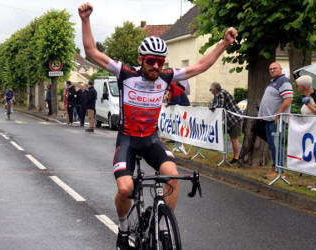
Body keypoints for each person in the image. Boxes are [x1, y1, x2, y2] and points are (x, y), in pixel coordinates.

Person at [79, 2, 238, 249]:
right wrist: (86, 20)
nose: (156, 66)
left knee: (172, 177)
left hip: (152, 139)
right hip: (127, 141)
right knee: (125, 189)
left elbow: (200, 66)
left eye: (160, 62)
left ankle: (163, 226)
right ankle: (123, 229)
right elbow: (91, 51)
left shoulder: (166, 77)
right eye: (152, 61)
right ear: (141, 60)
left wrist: (225, 42)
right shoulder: (125, 74)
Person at [258, 62, 293, 179]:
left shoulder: (283, 81)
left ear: (280, 69)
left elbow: (288, 98)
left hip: (276, 120)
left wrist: (279, 113)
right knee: (273, 145)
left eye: (275, 68)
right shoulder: (274, 82)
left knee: (277, 145)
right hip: (269, 120)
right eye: (270, 69)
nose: (272, 70)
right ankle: (275, 168)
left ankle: (279, 171)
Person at [296, 75, 316, 191]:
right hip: (312, 131)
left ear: (303, 87)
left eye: (298, 86)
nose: (297, 88)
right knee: (315, 155)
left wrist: (309, 105)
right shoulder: (309, 96)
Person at [208, 82, 242, 164]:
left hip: (234, 118)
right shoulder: (217, 95)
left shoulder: (221, 94)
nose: (210, 92)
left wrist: (212, 106)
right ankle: (235, 157)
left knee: (234, 139)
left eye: (210, 90)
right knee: (232, 139)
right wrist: (211, 106)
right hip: (229, 119)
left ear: (214, 90)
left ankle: (236, 158)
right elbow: (211, 105)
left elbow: (219, 106)